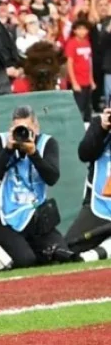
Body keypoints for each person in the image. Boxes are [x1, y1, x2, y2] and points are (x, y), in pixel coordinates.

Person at [0, 106, 69, 268]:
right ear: (11, 128)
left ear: (36, 128)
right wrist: (8, 150)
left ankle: (28, 248)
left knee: (61, 255)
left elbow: (52, 178)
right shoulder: (1, 141)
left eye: (27, 129)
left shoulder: (47, 143)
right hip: (1, 216)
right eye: (18, 129)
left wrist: (33, 153)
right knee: (25, 260)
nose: (23, 134)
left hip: (34, 215)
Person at [67, 107, 111, 262]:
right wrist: (101, 129)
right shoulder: (99, 124)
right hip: (99, 206)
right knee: (70, 247)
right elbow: (84, 154)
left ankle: (100, 251)